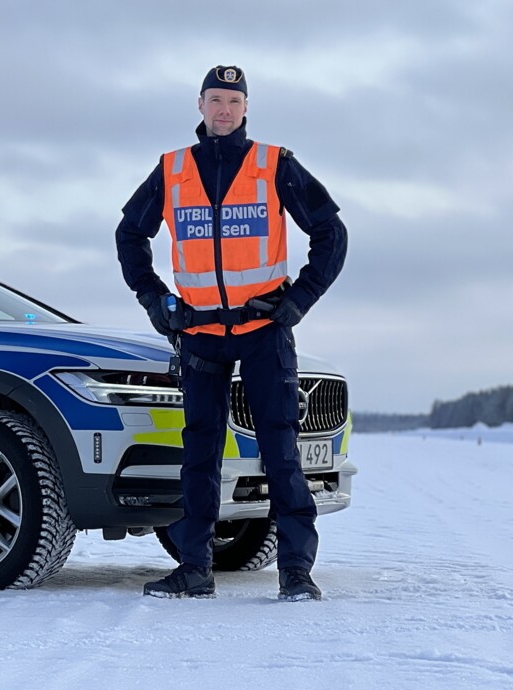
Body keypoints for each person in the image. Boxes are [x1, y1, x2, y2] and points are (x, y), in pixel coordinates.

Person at [114, 65, 347, 601]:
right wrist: (155, 300)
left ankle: (295, 572)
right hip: (198, 332)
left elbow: (331, 232)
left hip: (263, 329)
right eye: (215, 99)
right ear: (199, 105)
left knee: (281, 451)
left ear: (246, 108)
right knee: (198, 454)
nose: (224, 109)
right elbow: (129, 234)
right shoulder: (173, 170)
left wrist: (299, 300)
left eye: (233, 101)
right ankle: (194, 569)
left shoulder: (273, 165)